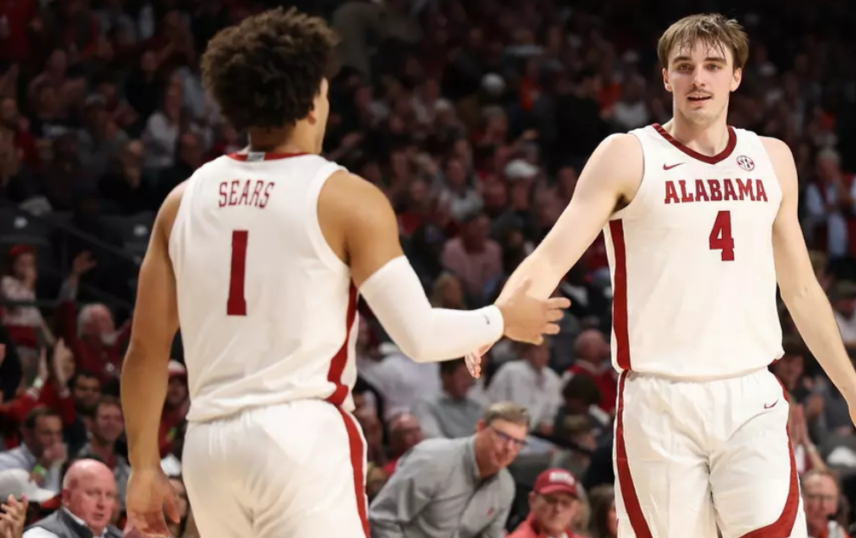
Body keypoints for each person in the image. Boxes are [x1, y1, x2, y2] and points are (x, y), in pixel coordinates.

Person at [119, 8, 569, 538]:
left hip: (209, 443)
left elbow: (146, 351)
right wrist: (500, 319)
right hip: (299, 437)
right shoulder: (345, 197)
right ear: (313, 101)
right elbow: (420, 337)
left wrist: (145, 467)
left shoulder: (181, 200)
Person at [467, 12, 856, 538]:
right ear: (665, 76)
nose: (699, 79)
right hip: (658, 398)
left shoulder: (772, 159)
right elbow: (551, 255)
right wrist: (494, 317)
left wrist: (855, 396)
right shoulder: (627, 155)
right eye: (684, 66)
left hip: (750, 393)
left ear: (736, 75)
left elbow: (802, 289)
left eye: (714, 65)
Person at [367, 402, 528, 538]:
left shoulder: (505, 487)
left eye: (517, 442)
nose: (509, 448)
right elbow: (382, 519)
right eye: (503, 437)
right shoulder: (432, 461)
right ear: (480, 427)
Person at [23, 459, 122, 538]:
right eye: (93, 493)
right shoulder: (42, 535)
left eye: (109, 495)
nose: (102, 504)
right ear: (67, 497)